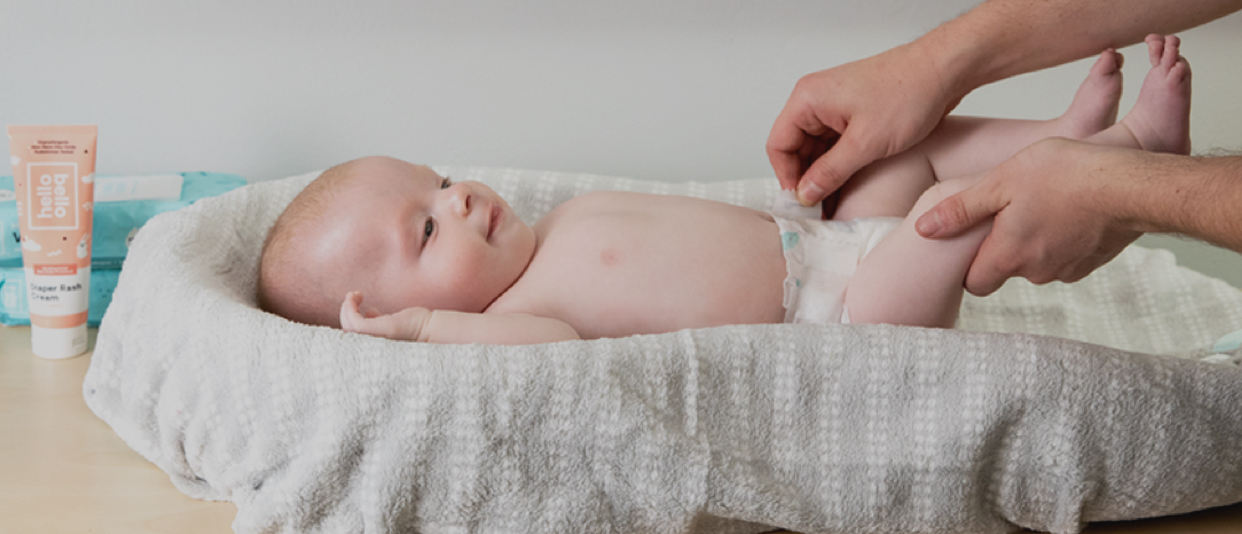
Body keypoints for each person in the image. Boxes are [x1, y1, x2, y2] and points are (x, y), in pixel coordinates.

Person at [258, 39, 1189, 344]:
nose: (460, 199)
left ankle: (1080, 139)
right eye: (426, 229)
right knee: (949, 222)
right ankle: (1105, 168)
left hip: (827, 239)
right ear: (384, 313)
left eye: (444, 181)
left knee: (912, 147)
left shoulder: (557, 225)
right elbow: (500, 349)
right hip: (849, 314)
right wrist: (420, 334)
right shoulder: (528, 315)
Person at [767, 0, 1242, 296]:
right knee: (939, 208)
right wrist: (934, 63)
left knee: (896, 152)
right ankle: (1135, 144)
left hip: (822, 237)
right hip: (839, 314)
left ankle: (1063, 135)